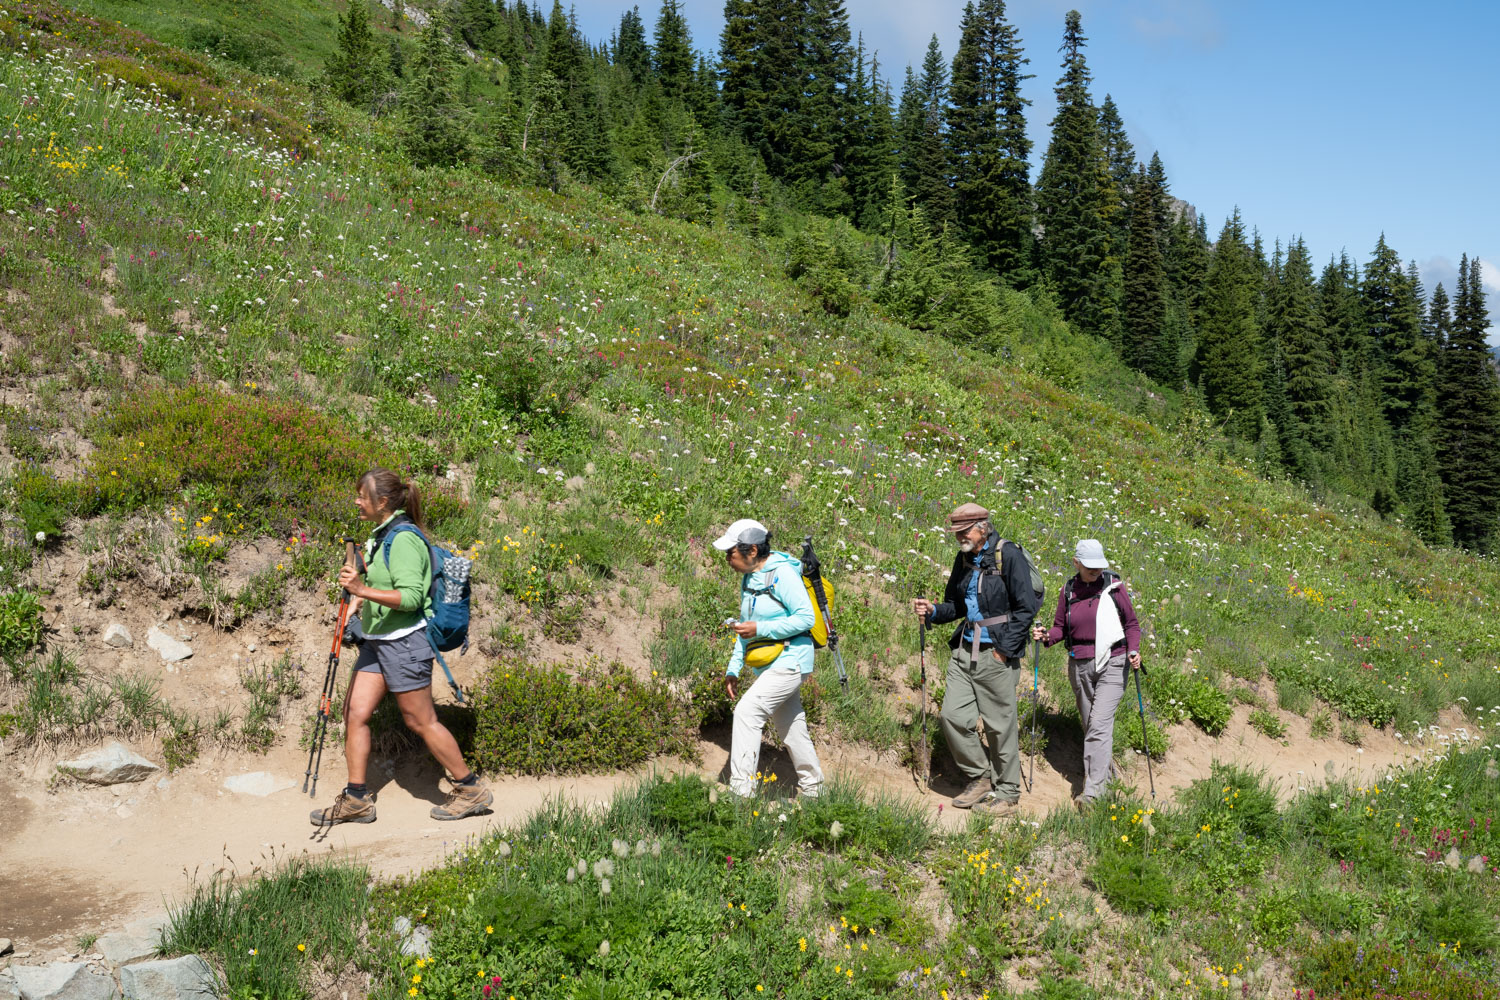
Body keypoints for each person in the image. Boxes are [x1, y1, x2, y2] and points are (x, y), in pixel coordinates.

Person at [311, 468, 492, 826]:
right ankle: (356, 799)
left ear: (382, 502)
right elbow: (383, 586)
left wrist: (362, 591)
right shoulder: (380, 536)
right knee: (355, 713)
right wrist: (360, 596)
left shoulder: (405, 539)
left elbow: (410, 598)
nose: (357, 501)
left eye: (362, 495)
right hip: (377, 642)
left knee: (419, 720)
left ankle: (471, 789)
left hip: (406, 643)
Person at [912, 503, 1039, 815]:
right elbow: (956, 605)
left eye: (964, 531)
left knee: (1000, 727)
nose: (959, 538)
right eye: (956, 533)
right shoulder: (964, 558)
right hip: (964, 652)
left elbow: (1026, 608)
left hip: (996, 655)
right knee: (952, 717)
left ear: (983, 527)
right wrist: (933, 611)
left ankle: (1007, 795)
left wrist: (1003, 651)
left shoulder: (1007, 554)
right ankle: (980, 778)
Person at [716, 518, 824, 799]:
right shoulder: (748, 579)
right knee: (790, 725)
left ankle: (741, 794)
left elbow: (805, 617)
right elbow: (745, 626)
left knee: (747, 713)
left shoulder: (783, 574)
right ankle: (815, 791)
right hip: (770, 663)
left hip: (791, 660)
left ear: (752, 550)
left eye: (731, 552)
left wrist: (760, 628)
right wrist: (733, 669)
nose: (728, 558)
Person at [1031, 538, 1141, 810]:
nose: (1096, 571)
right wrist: (1045, 637)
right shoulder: (1068, 590)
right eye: (1090, 566)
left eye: (1099, 566)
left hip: (1114, 662)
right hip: (1079, 664)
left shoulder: (1114, 587)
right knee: (1091, 726)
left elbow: (1132, 624)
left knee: (1099, 726)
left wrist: (1134, 650)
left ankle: (1092, 796)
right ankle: (1107, 779)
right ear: (1076, 562)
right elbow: (1059, 628)